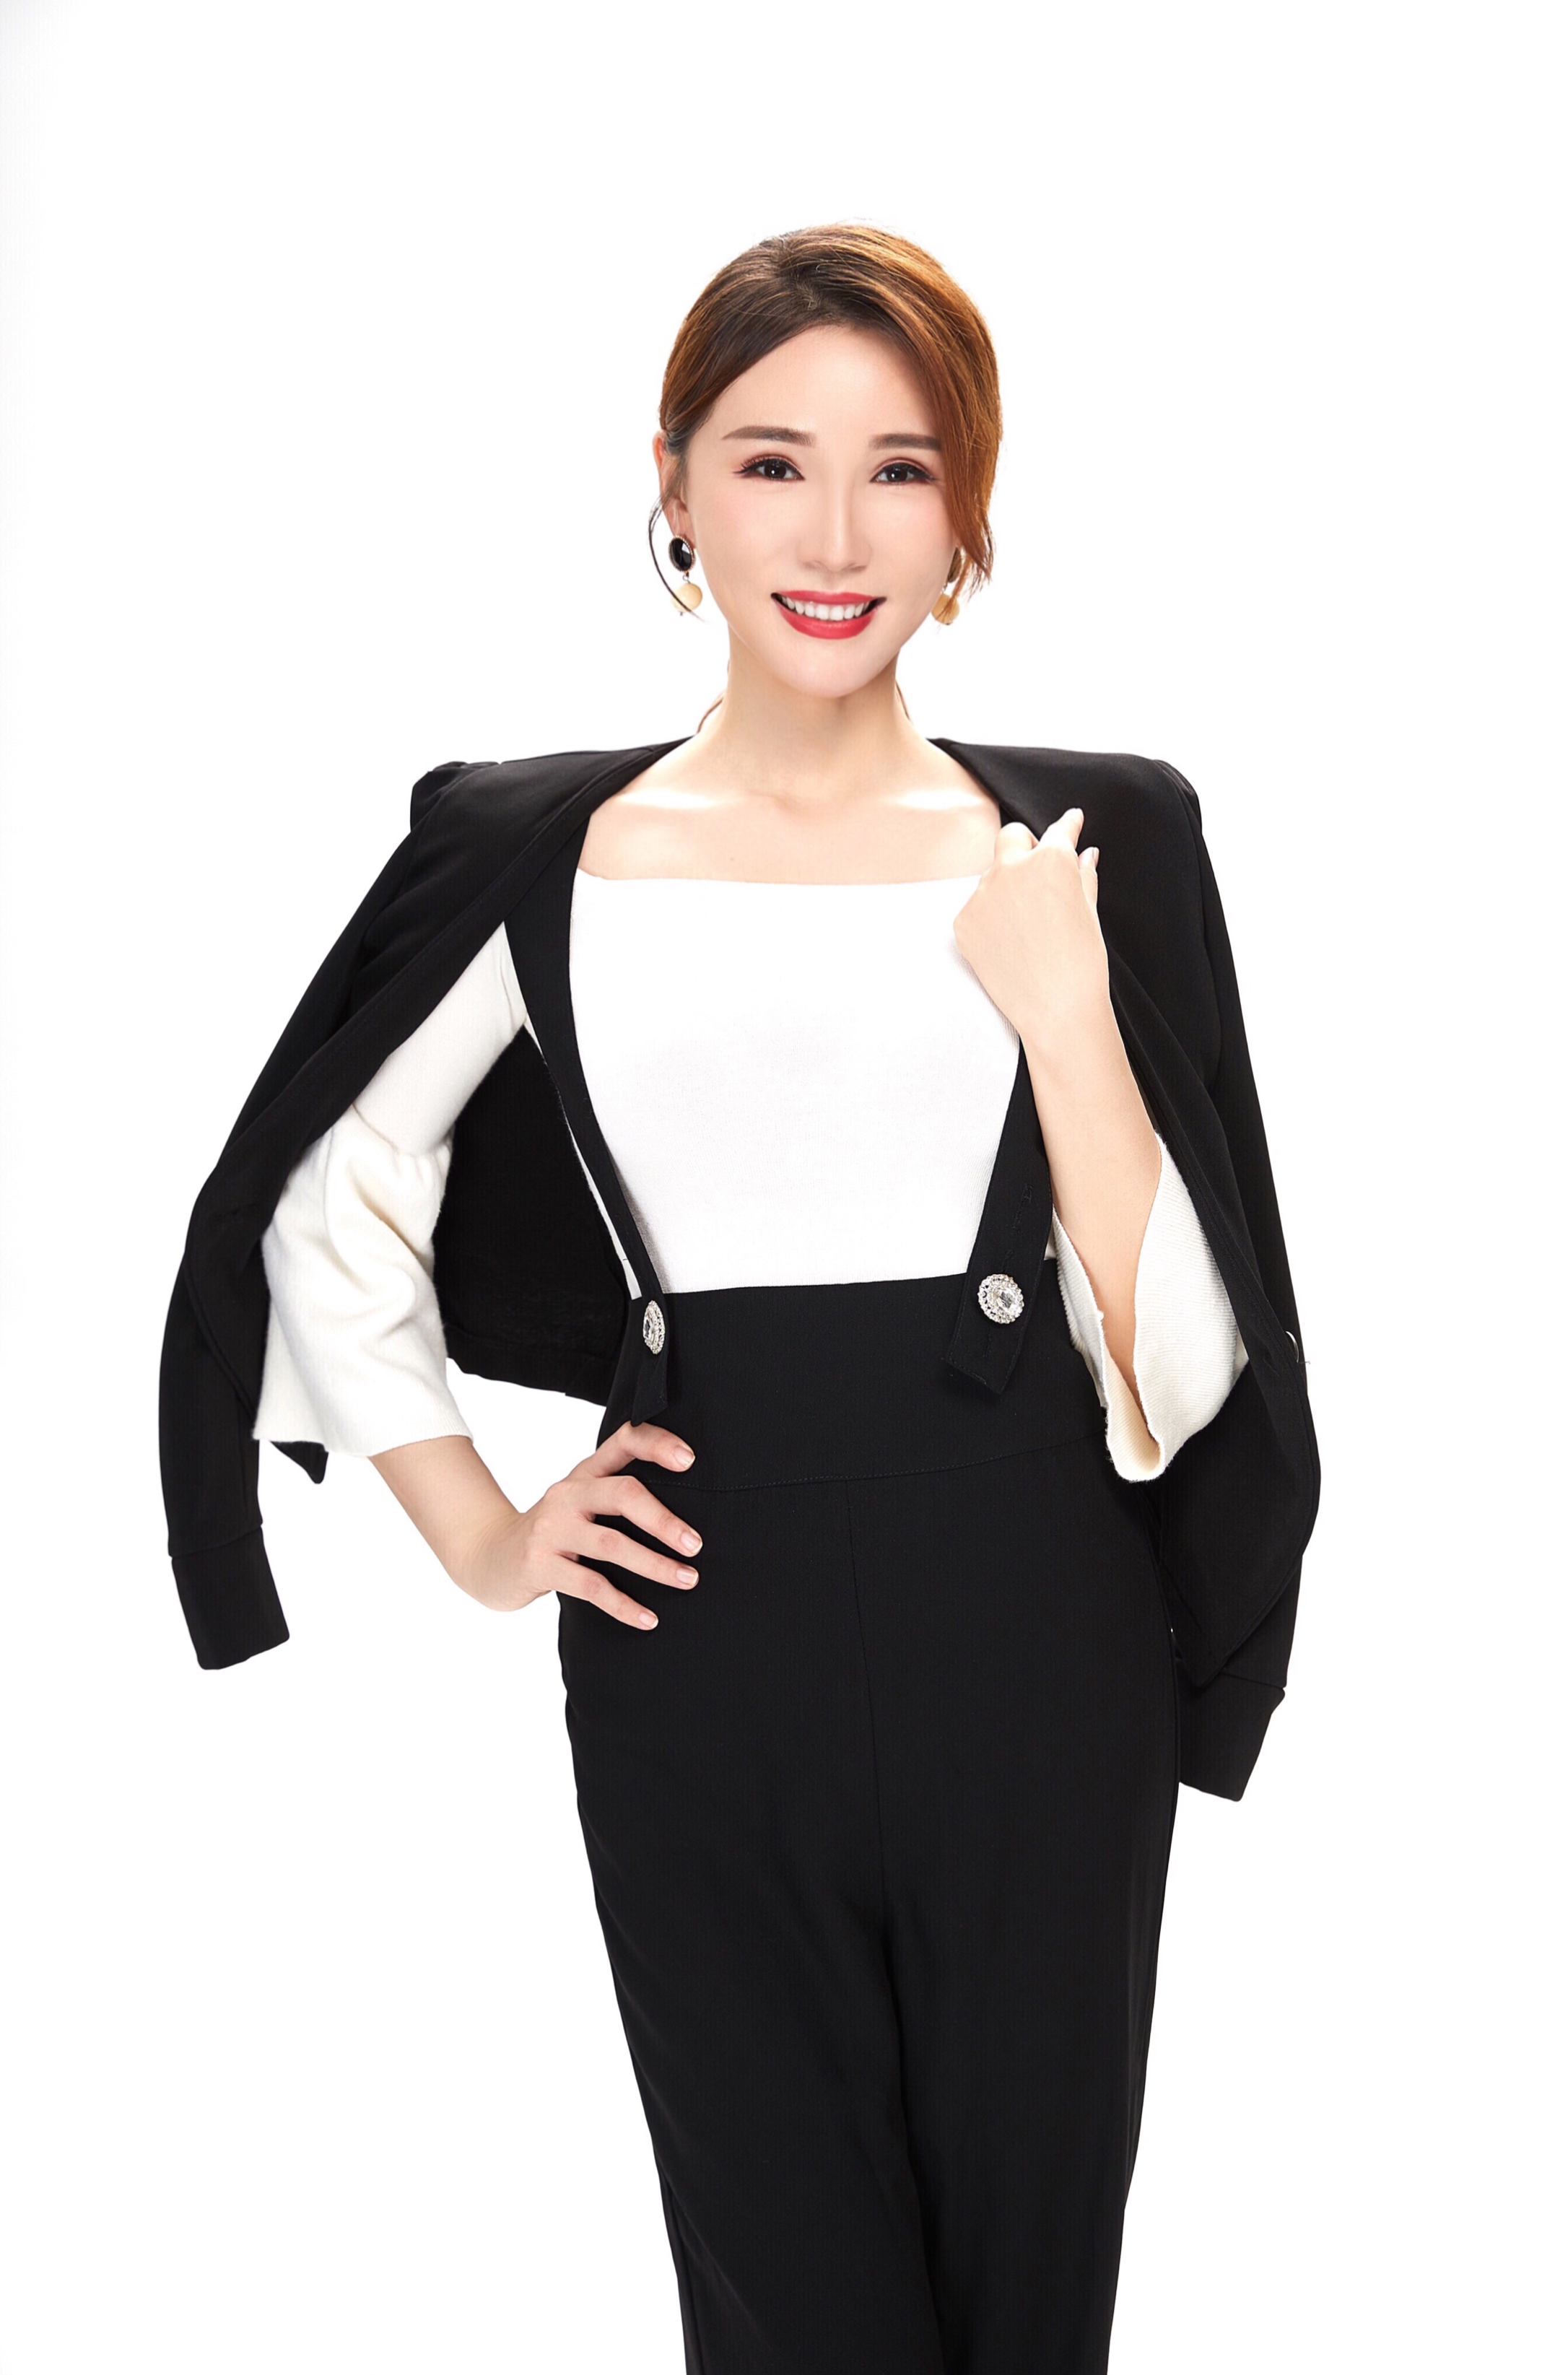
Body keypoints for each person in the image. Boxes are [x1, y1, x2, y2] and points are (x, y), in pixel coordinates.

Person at [160, 225, 1319, 2374]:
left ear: (968, 514)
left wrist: (1065, 1014)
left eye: (901, 469)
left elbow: (1180, 1384)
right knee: (786, 2309)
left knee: (1028, 2305)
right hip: (694, 1638)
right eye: (773, 461)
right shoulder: (541, 850)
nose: (835, 534)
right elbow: (325, 1198)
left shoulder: (1093, 844)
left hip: (1039, 1640)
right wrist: (483, 1531)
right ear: (675, 486)